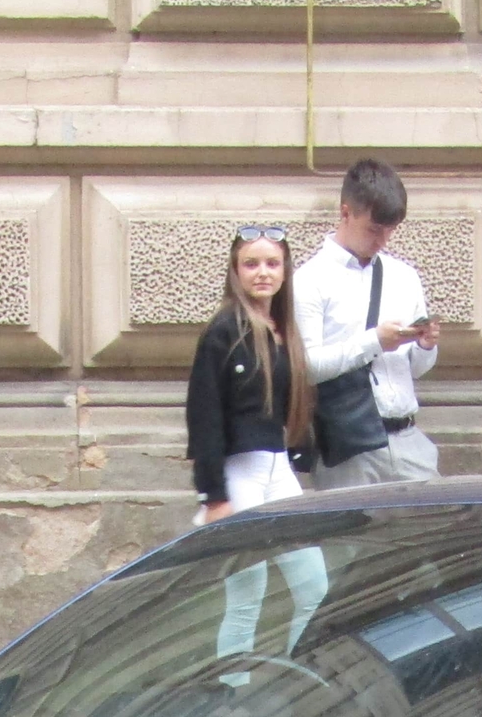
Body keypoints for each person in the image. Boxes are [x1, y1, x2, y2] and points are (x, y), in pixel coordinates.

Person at [184, 226, 325, 654]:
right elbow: (203, 413)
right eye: (251, 264)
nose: (262, 273)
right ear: (235, 271)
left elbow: (294, 404)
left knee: (315, 586)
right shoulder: (223, 331)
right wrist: (213, 495)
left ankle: (300, 677)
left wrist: (306, 451)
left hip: (278, 469)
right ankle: (235, 689)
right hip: (239, 473)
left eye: (271, 263)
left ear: (285, 271)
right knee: (247, 596)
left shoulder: (284, 331)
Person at [293, 158, 440, 491]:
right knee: (350, 542)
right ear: (346, 213)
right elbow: (306, 367)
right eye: (374, 229)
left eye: (391, 230)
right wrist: (374, 341)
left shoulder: (403, 276)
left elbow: (416, 369)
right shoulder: (310, 281)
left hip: (408, 438)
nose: (383, 240)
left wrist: (425, 345)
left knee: (432, 537)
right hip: (350, 446)